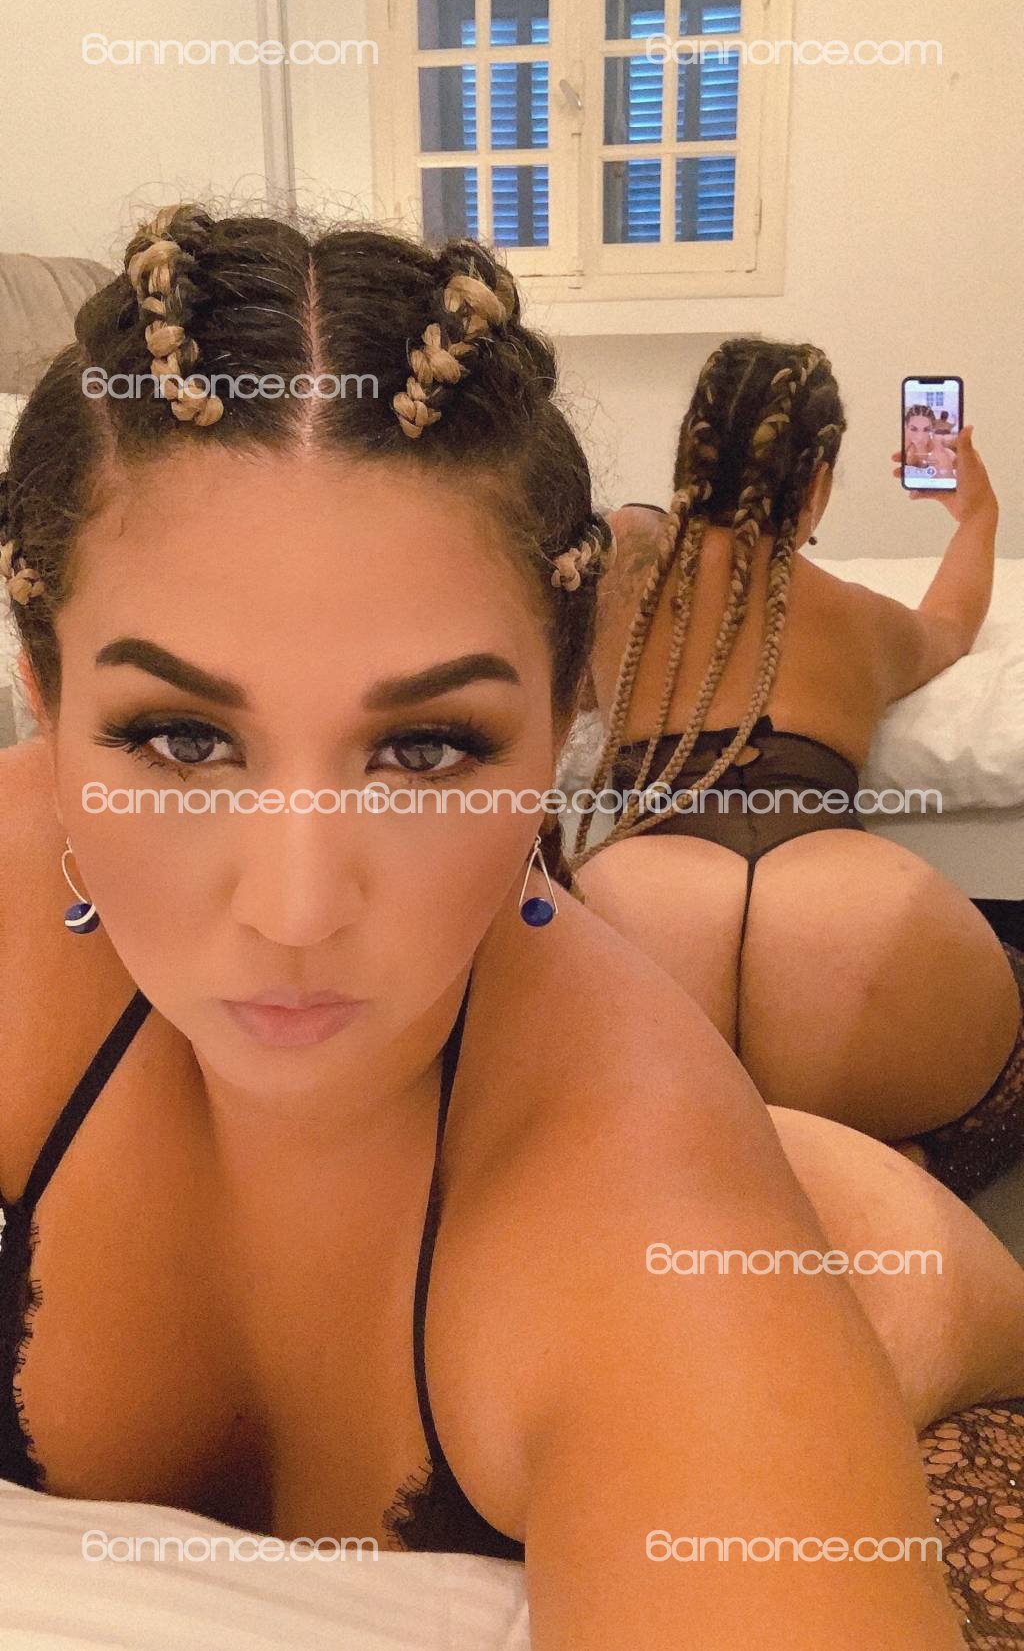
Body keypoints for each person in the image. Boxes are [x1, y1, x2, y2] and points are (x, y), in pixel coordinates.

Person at [0, 205, 1004, 1648]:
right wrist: (971, 520)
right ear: (43, 697)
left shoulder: (655, 1231)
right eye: (180, 737)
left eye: (425, 748)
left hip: (895, 1272)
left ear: (561, 719)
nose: (295, 908)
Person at [571, 339, 1022, 1194]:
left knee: (543, 1115)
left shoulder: (622, 564)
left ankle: (677, 1183)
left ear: (691, 453)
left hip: (647, 918)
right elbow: (953, 623)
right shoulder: (859, 617)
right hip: (847, 920)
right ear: (816, 485)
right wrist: (977, 516)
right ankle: (875, 1177)